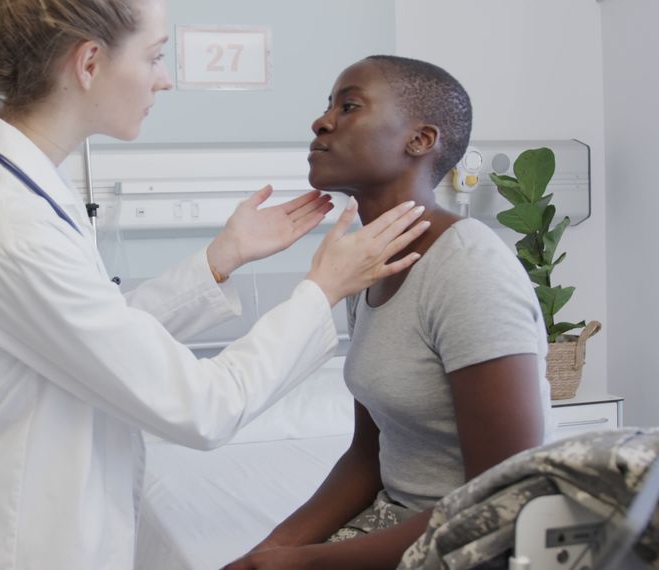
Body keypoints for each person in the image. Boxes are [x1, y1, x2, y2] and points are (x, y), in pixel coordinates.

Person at [0, 1, 431, 568]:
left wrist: (221, 259)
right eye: (154, 57)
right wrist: (322, 288)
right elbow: (202, 407)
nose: (165, 79)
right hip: (13, 540)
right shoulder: (7, 222)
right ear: (90, 63)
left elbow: (90, 336)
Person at [225, 55, 553, 569]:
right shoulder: (368, 262)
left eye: (349, 105)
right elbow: (367, 457)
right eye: (328, 106)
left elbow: (504, 498)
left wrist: (302, 564)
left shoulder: (468, 268)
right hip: (397, 524)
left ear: (420, 140)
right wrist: (268, 551)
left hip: (474, 546)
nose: (321, 121)